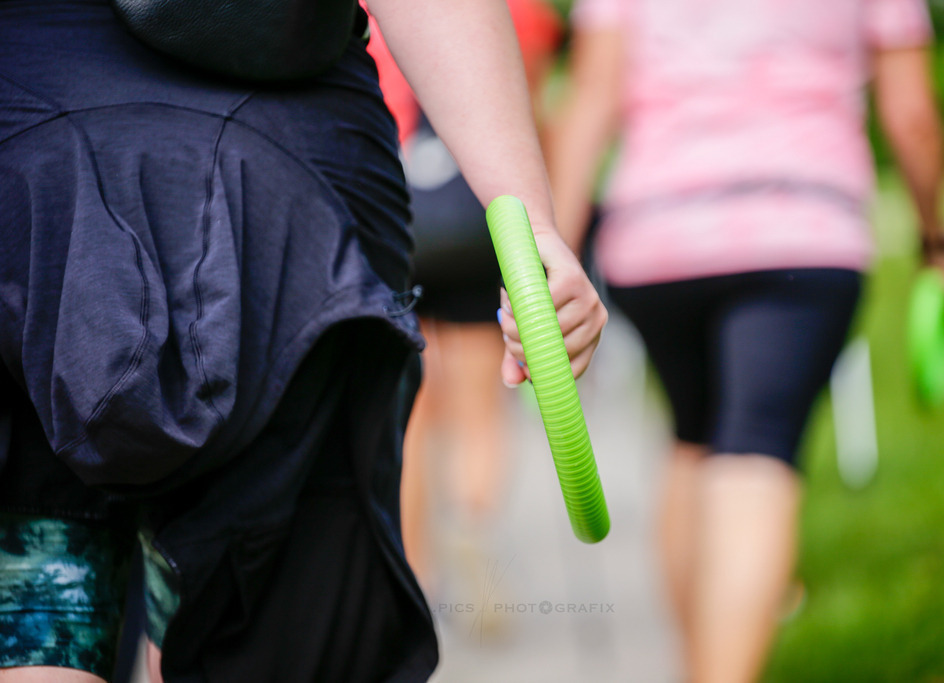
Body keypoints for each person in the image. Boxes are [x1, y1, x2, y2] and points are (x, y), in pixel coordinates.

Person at [0, 1, 607, 682]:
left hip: (29, 168)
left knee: (40, 593)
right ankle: (472, 516)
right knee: (259, 612)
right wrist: (531, 225)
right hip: (284, 201)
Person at [543, 0, 944, 681]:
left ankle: (698, 667)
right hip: (799, 228)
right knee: (757, 446)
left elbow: (591, 98)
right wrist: (938, 241)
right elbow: (912, 116)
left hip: (658, 236)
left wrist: (549, 253)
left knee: (694, 439)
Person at [365, 0, 565, 599]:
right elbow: (524, 113)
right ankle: (475, 525)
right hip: (476, 222)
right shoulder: (517, 10)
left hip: (397, 217)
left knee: (414, 407)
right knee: (483, 400)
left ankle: (419, 574)